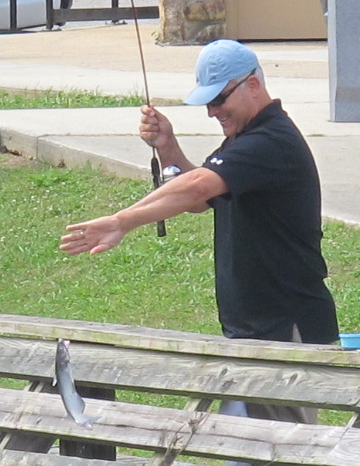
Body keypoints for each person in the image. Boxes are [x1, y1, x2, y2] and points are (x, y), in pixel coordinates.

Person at [58, 39, 340, 345]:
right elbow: (202, 197)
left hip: (287, 326)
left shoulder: (271, 141)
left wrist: (121, 221)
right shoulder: (246, 137)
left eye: (219, 98)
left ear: (254, 84)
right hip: (255, 329)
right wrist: (168, 147)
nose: (212, 111)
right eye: (208, 102)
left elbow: (196, 188)